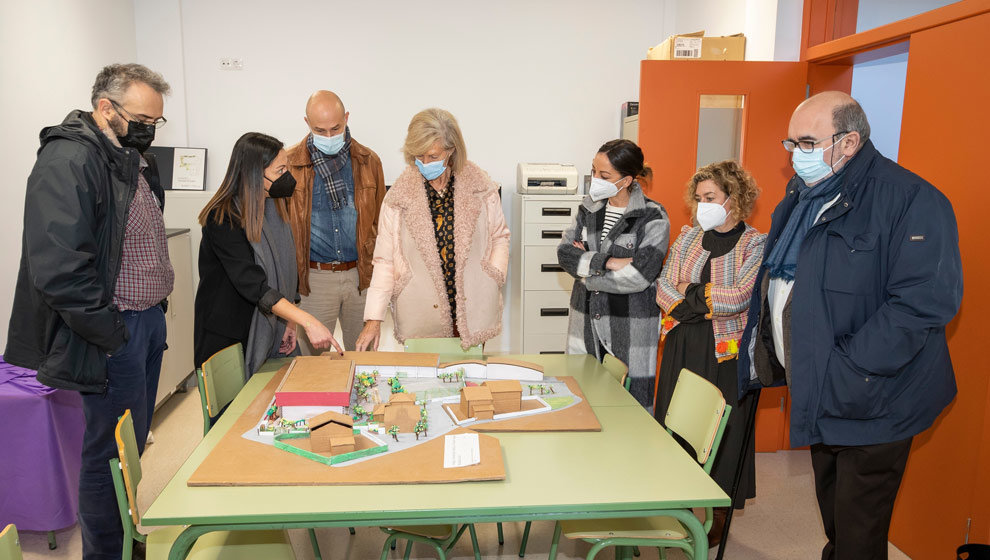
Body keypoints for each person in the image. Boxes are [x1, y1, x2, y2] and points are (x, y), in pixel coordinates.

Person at [737, 91, 962, 560]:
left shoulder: (911, 199)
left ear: (849, 141)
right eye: (791, 142)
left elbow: (922, 305)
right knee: (837, 516)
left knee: (860, 528)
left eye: (806, 142)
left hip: (874, 394)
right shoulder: (804, 195)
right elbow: (786, 281)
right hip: (820, 386)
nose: (795, 154)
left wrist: (846, 368)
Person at [4, 63, 174, 560]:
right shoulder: (69, 160)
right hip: (113, 330)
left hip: (144, 322)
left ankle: (129, 544)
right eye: (143, 118)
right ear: (106, 108)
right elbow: (58, 267)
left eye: (157, 122)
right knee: (109, 458)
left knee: (131, 450)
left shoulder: (129, 156)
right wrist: (112, 334)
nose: (150, 130)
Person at [654, 160, 766, 545]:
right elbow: (663, 289)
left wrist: (690, 293)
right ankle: (681, 503)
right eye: (699, 197)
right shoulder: (687, 238)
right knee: (677, 423)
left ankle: (718, 512)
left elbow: (739, 297)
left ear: (734, 199)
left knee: (722, 429)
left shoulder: (755, 243)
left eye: (711, 197)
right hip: (683, 344)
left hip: (725, 353)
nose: (702, 205)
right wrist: (693, 299)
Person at [355, 108, 510, 351]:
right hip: (420, 312)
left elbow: (500, 237)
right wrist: (374, 319)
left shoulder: (482, 188)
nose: (425, 163)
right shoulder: (398, 198)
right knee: (421, 381)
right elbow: (384, 261)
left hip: (472, 308)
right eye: (419, 156)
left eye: (433, 156)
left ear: (451, 150)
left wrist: (493, 274)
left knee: (468, 380)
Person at [195, 132, 342, 377]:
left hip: (270, 324)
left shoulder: (272, 207)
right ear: (254, 174)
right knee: (233, 412)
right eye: (280, 170)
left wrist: (290, 322)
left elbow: (287, 268)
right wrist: (308, 320)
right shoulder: (223, 217)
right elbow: (253, 284)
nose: (287, 177)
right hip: (228, 335)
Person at [557, 139, 670, 408]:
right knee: (581, 401)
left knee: (629, 407)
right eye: (594, 171)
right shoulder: (589, 208)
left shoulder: (652, 217)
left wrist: (586, 270)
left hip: (629, 325)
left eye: (604, 175)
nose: (596, 179)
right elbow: (564, 254)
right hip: (584, 320)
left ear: (627, 179)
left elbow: (640, 276)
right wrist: (609, 261)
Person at [285, 90, 387, 352]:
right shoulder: (291, 163)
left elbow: (381, 222)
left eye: (336, 128)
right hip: (314, 280)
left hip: (361, 276)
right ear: (307, 123)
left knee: (364, 361)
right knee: (310, 365)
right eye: (320, 130)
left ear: (347, 118)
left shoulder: (368, 161)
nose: (329, 137)